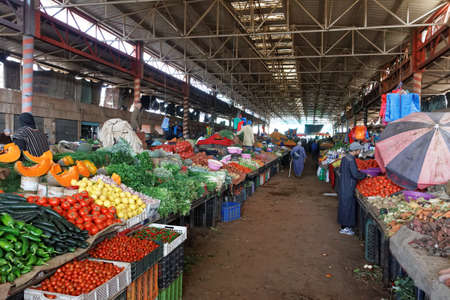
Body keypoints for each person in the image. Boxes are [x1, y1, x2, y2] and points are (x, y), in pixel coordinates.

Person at [337, 142, 367, 236]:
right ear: (356, 150)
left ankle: (343, 226)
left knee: (344, 205)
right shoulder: (351, 160)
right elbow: (355, 174)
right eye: (359, 150)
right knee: (348, 206)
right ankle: (346, 228)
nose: (360, 151)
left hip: (343, 184)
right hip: (349, 186)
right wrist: (365, 175)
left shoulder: (345, 158)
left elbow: (341, 170)